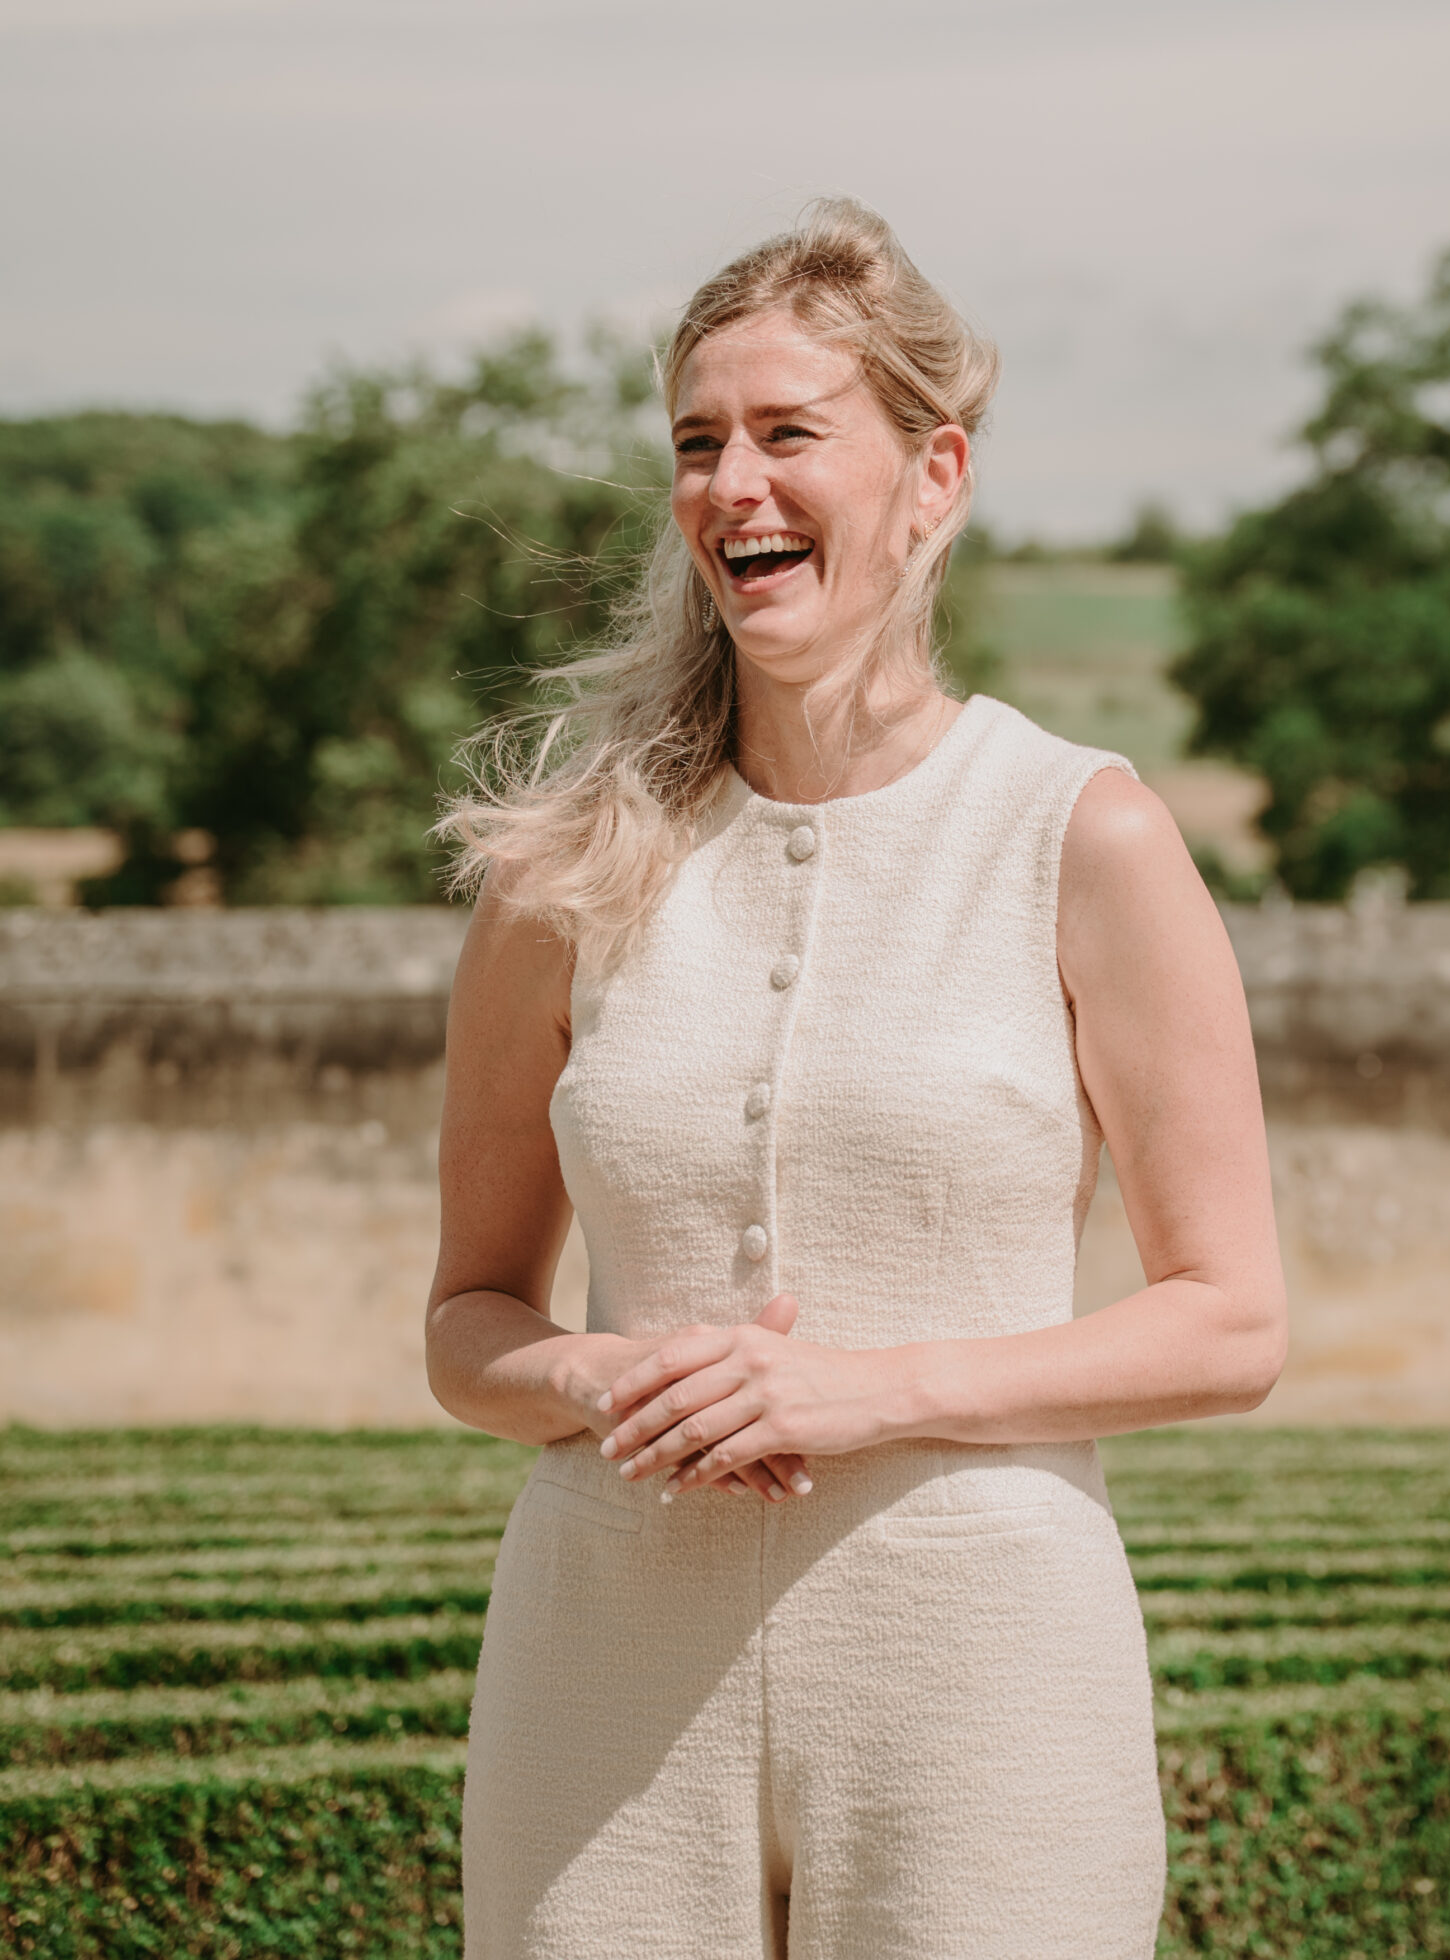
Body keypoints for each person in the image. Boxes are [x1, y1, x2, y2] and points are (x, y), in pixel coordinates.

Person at [428, 199, 1286, 1960]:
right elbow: (466, 1321)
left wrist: (870, 1392)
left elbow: (1230, 1324)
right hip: (599, 1687)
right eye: (698, 442)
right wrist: (595, 1373)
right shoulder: (559, 872)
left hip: (983, 1690)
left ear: (933, 476)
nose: (731, 483)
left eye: (788, 433)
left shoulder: (1086, 836)